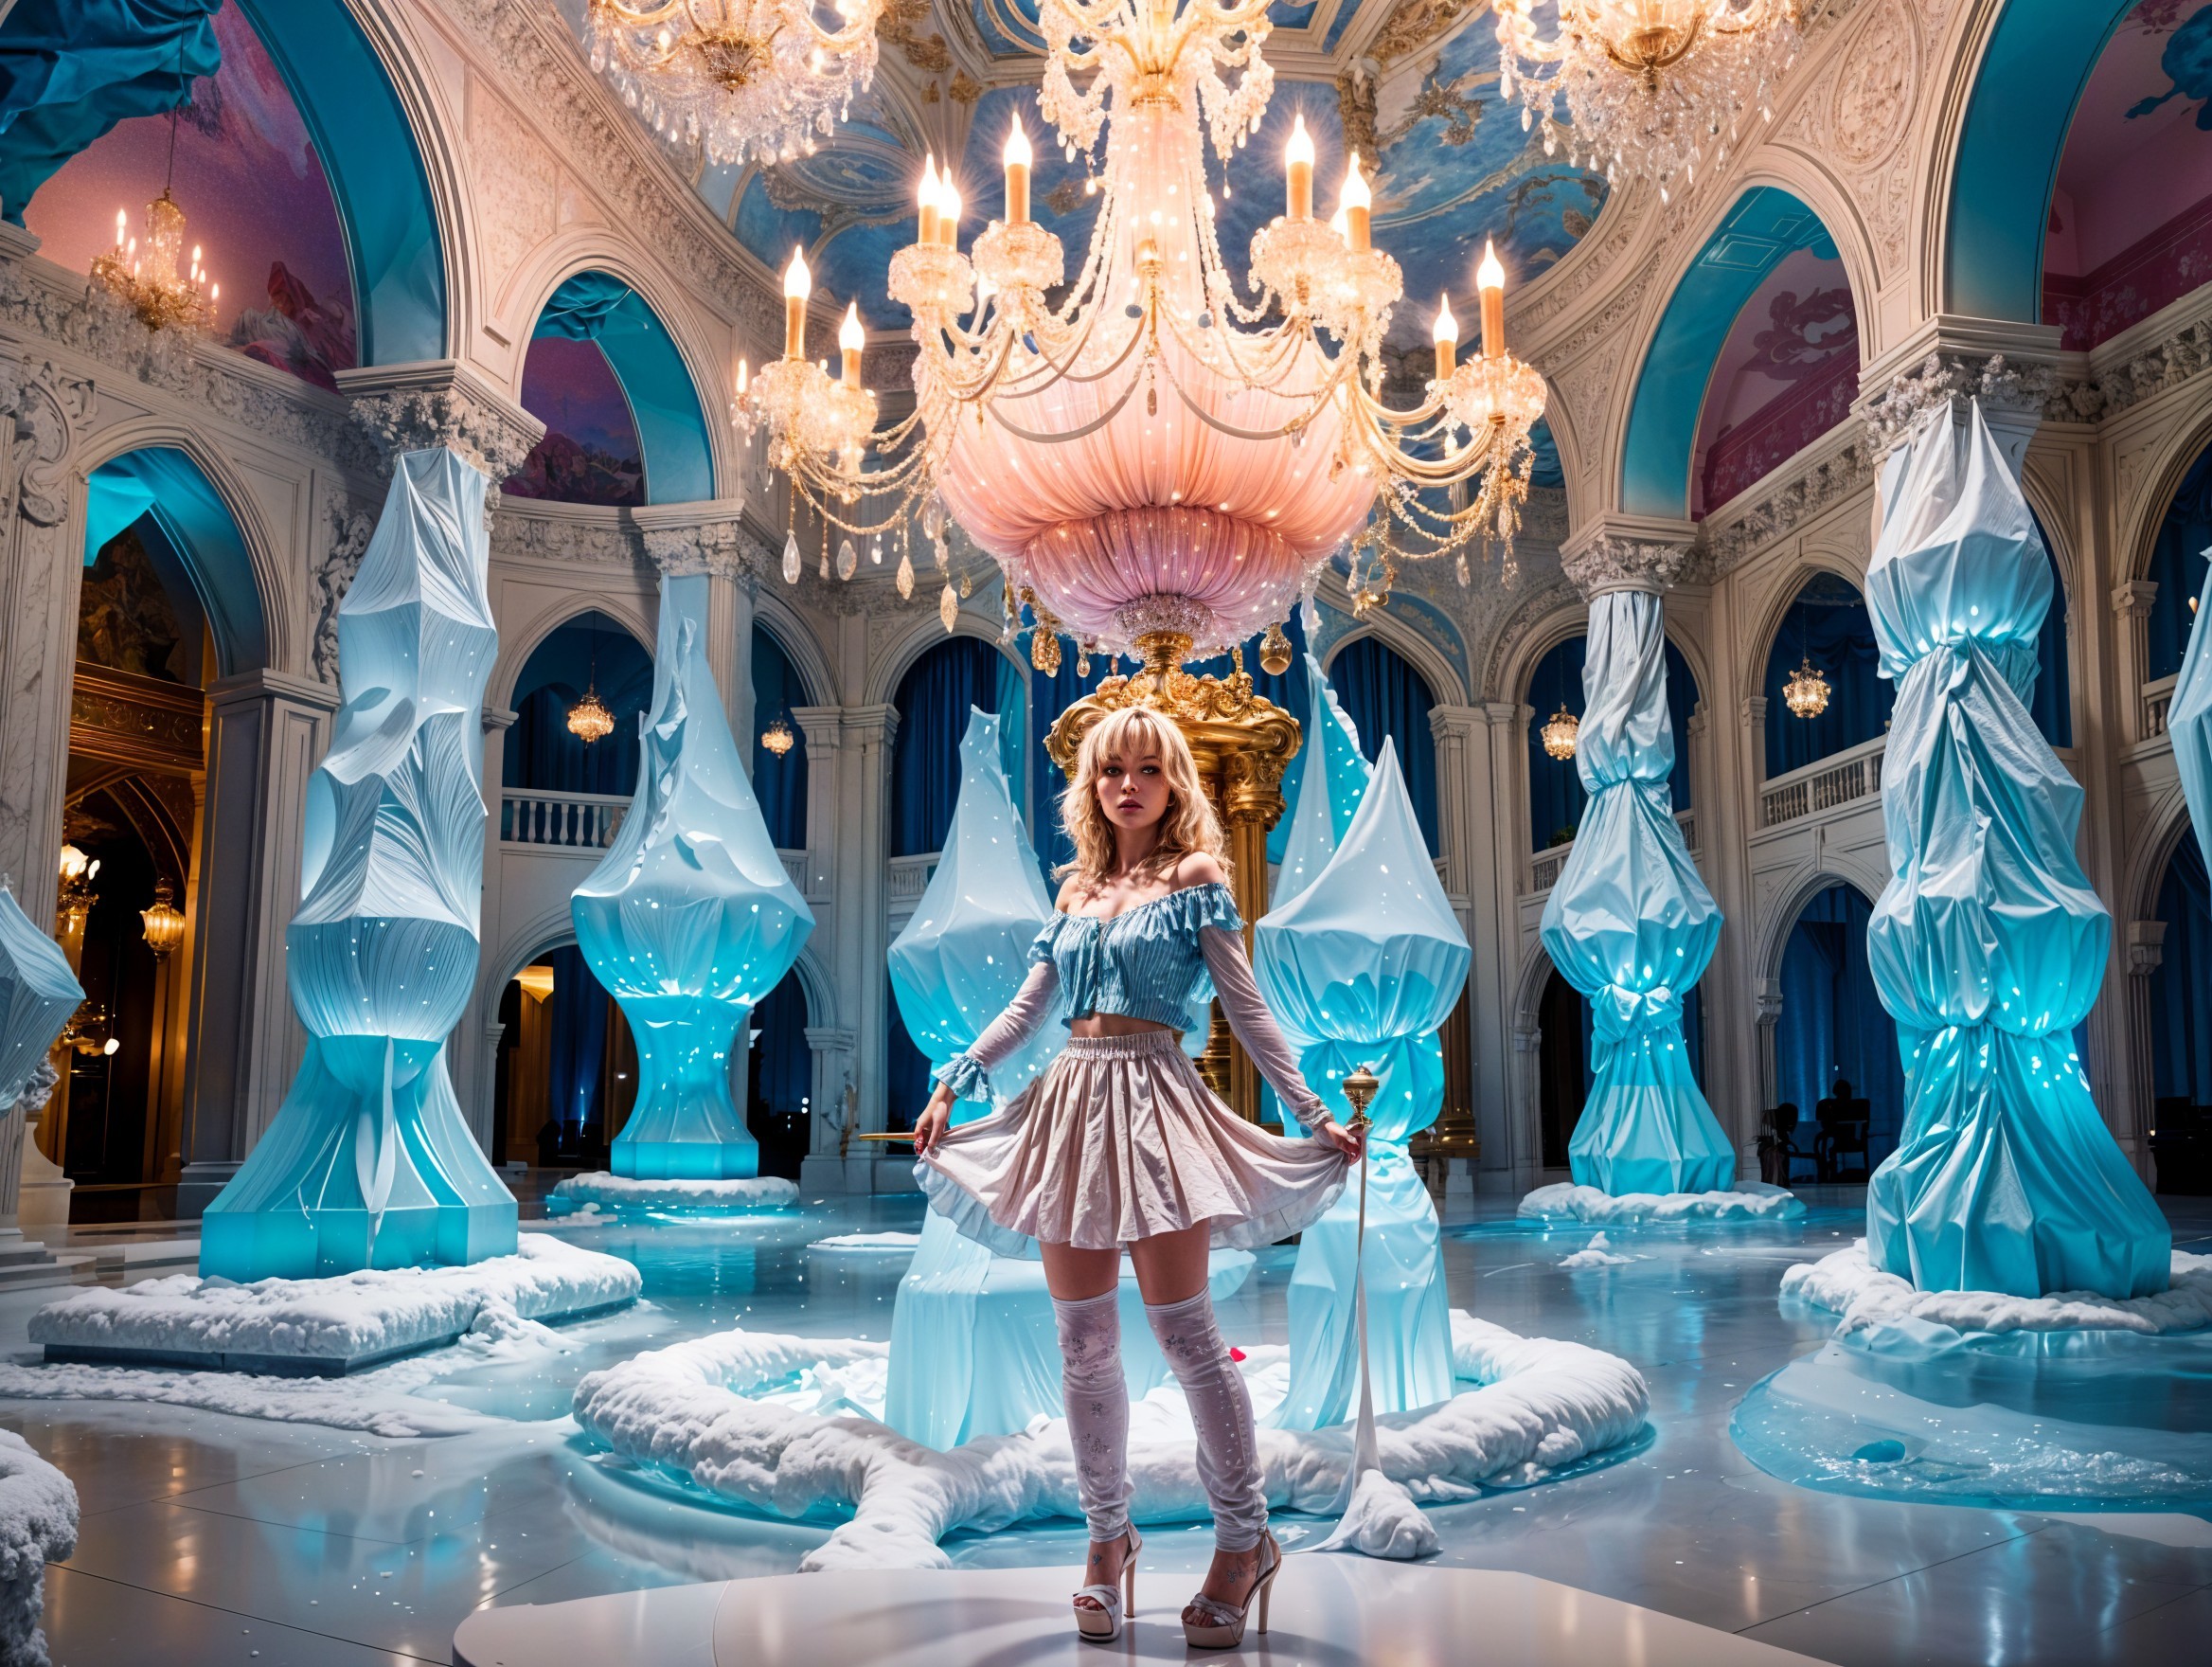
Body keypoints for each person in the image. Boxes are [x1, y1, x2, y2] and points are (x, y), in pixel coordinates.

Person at [913, 704, 1362, 1648]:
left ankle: (1242, 1540)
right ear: (1093, 785)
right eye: (1111, 769)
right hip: (1070, 1102)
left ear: (1171, 785)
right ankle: (1105, 1541)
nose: (1127, 784)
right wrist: (956, 1081)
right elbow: (1027, 1007)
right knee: (1081, 1344)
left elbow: (1245, 1004)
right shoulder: (1072, 891)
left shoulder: (1197, 877)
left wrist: (1310, 1108)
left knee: (1187, 1335)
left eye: (1145, 770)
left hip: (1156, 1104)